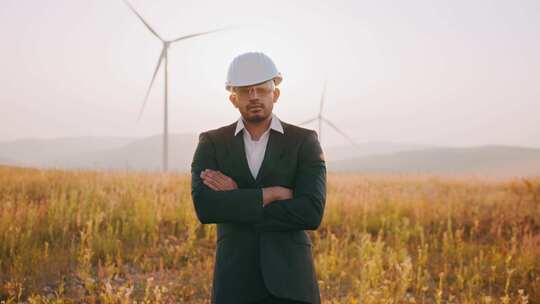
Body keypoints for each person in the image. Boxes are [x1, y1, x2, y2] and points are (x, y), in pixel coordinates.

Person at [191, 51, 326, 304]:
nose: (253, 96)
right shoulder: (211, 142)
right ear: (233, 99)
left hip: (292, 282)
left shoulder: (304, 141)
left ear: (275, 94)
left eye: (261, 89)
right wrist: (270, 194)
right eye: (244, 90)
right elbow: (205, 208)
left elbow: (311, 212)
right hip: (234, 282)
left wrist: (237, 200)